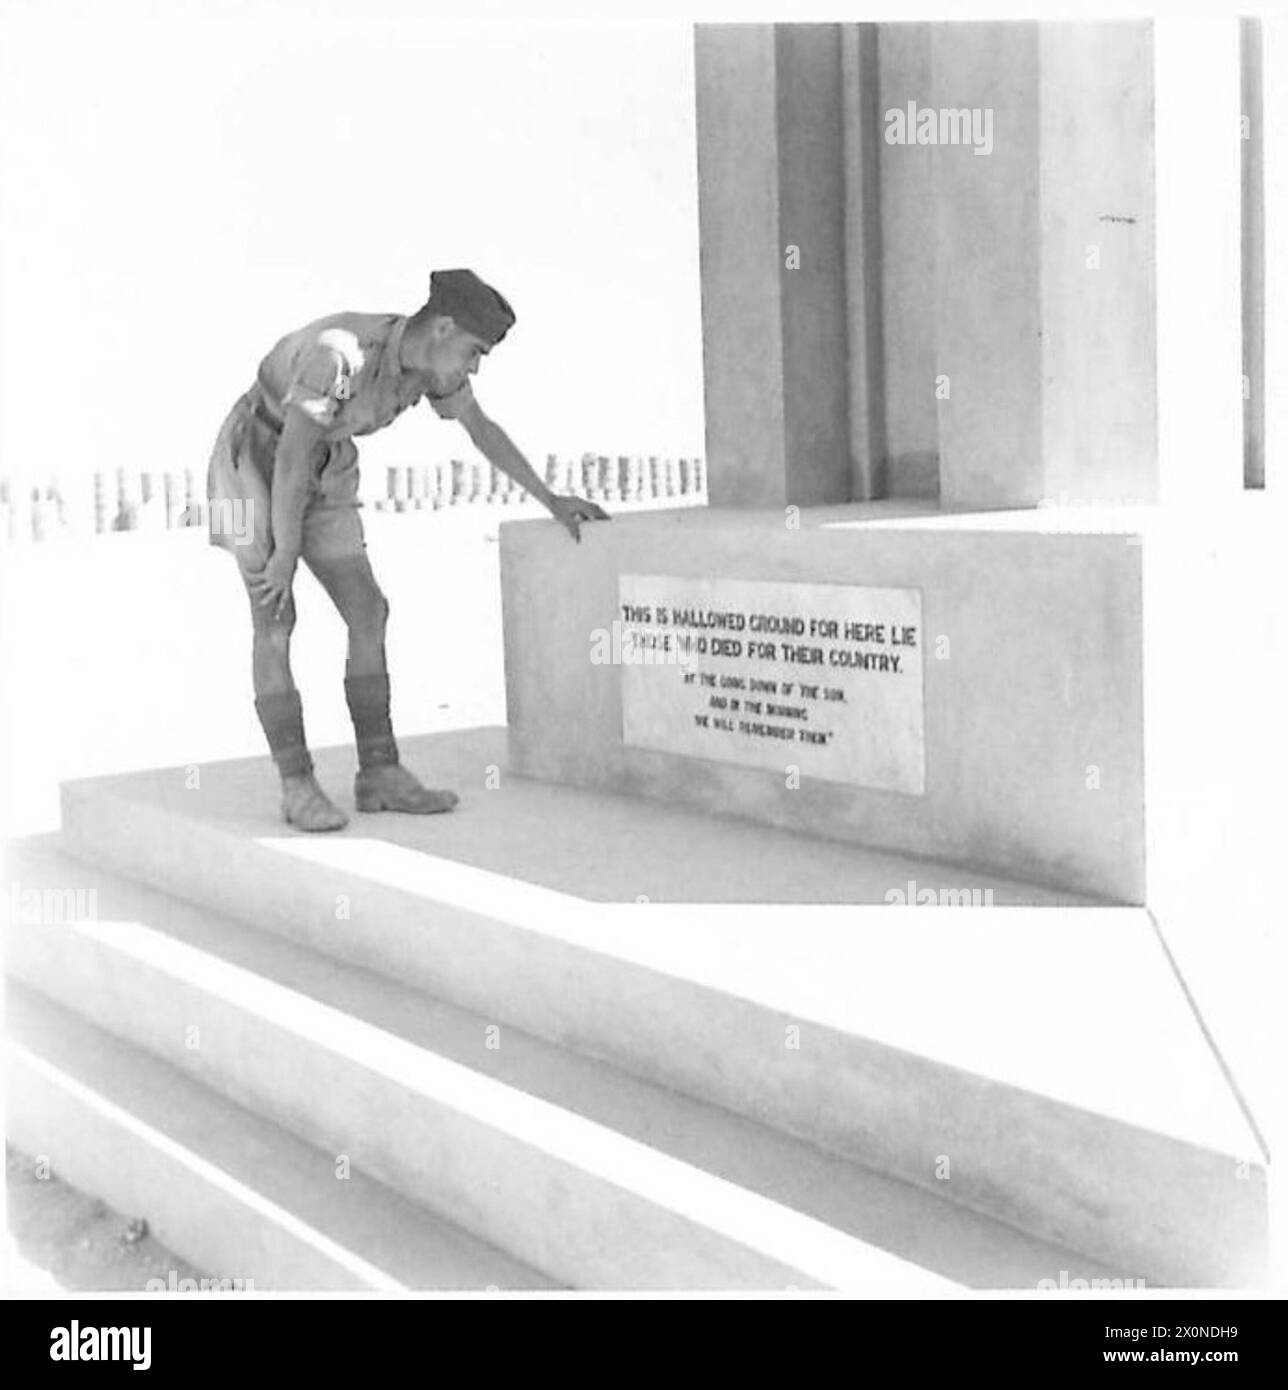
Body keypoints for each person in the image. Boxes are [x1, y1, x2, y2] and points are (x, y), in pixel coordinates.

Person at [205, 268, 609, 832]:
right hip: (250, 459)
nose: (472, 368)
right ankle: (296, 785)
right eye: (473, 352)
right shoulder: (341, 357)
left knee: (368, 610)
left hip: (325, 461)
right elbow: (291, 458)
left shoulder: (427, 369)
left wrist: (551, 500)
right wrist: (284, 551)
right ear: (443, 328)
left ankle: (380, 773)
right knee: (274, 616)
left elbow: (480, 428)